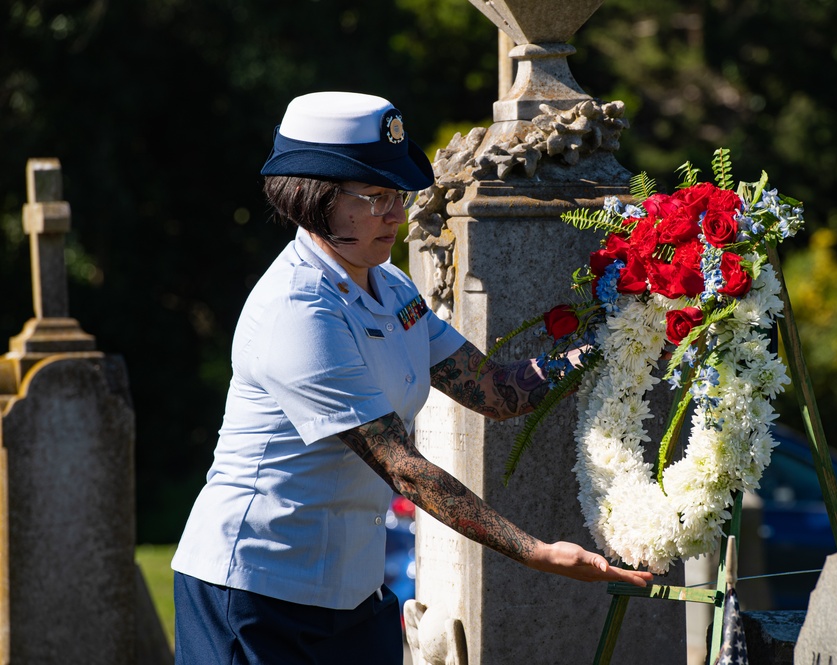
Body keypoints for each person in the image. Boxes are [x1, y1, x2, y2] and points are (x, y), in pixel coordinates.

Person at [170, 91, 651, 665]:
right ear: (311, 199)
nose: (397, 214)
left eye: (398, 194)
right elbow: (404, 468)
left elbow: (495, 390)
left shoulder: (390, 285)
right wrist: (535, 552)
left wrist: (620, 342)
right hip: (255, 591)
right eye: (374, 197)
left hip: (351, 591)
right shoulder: (298, 309)